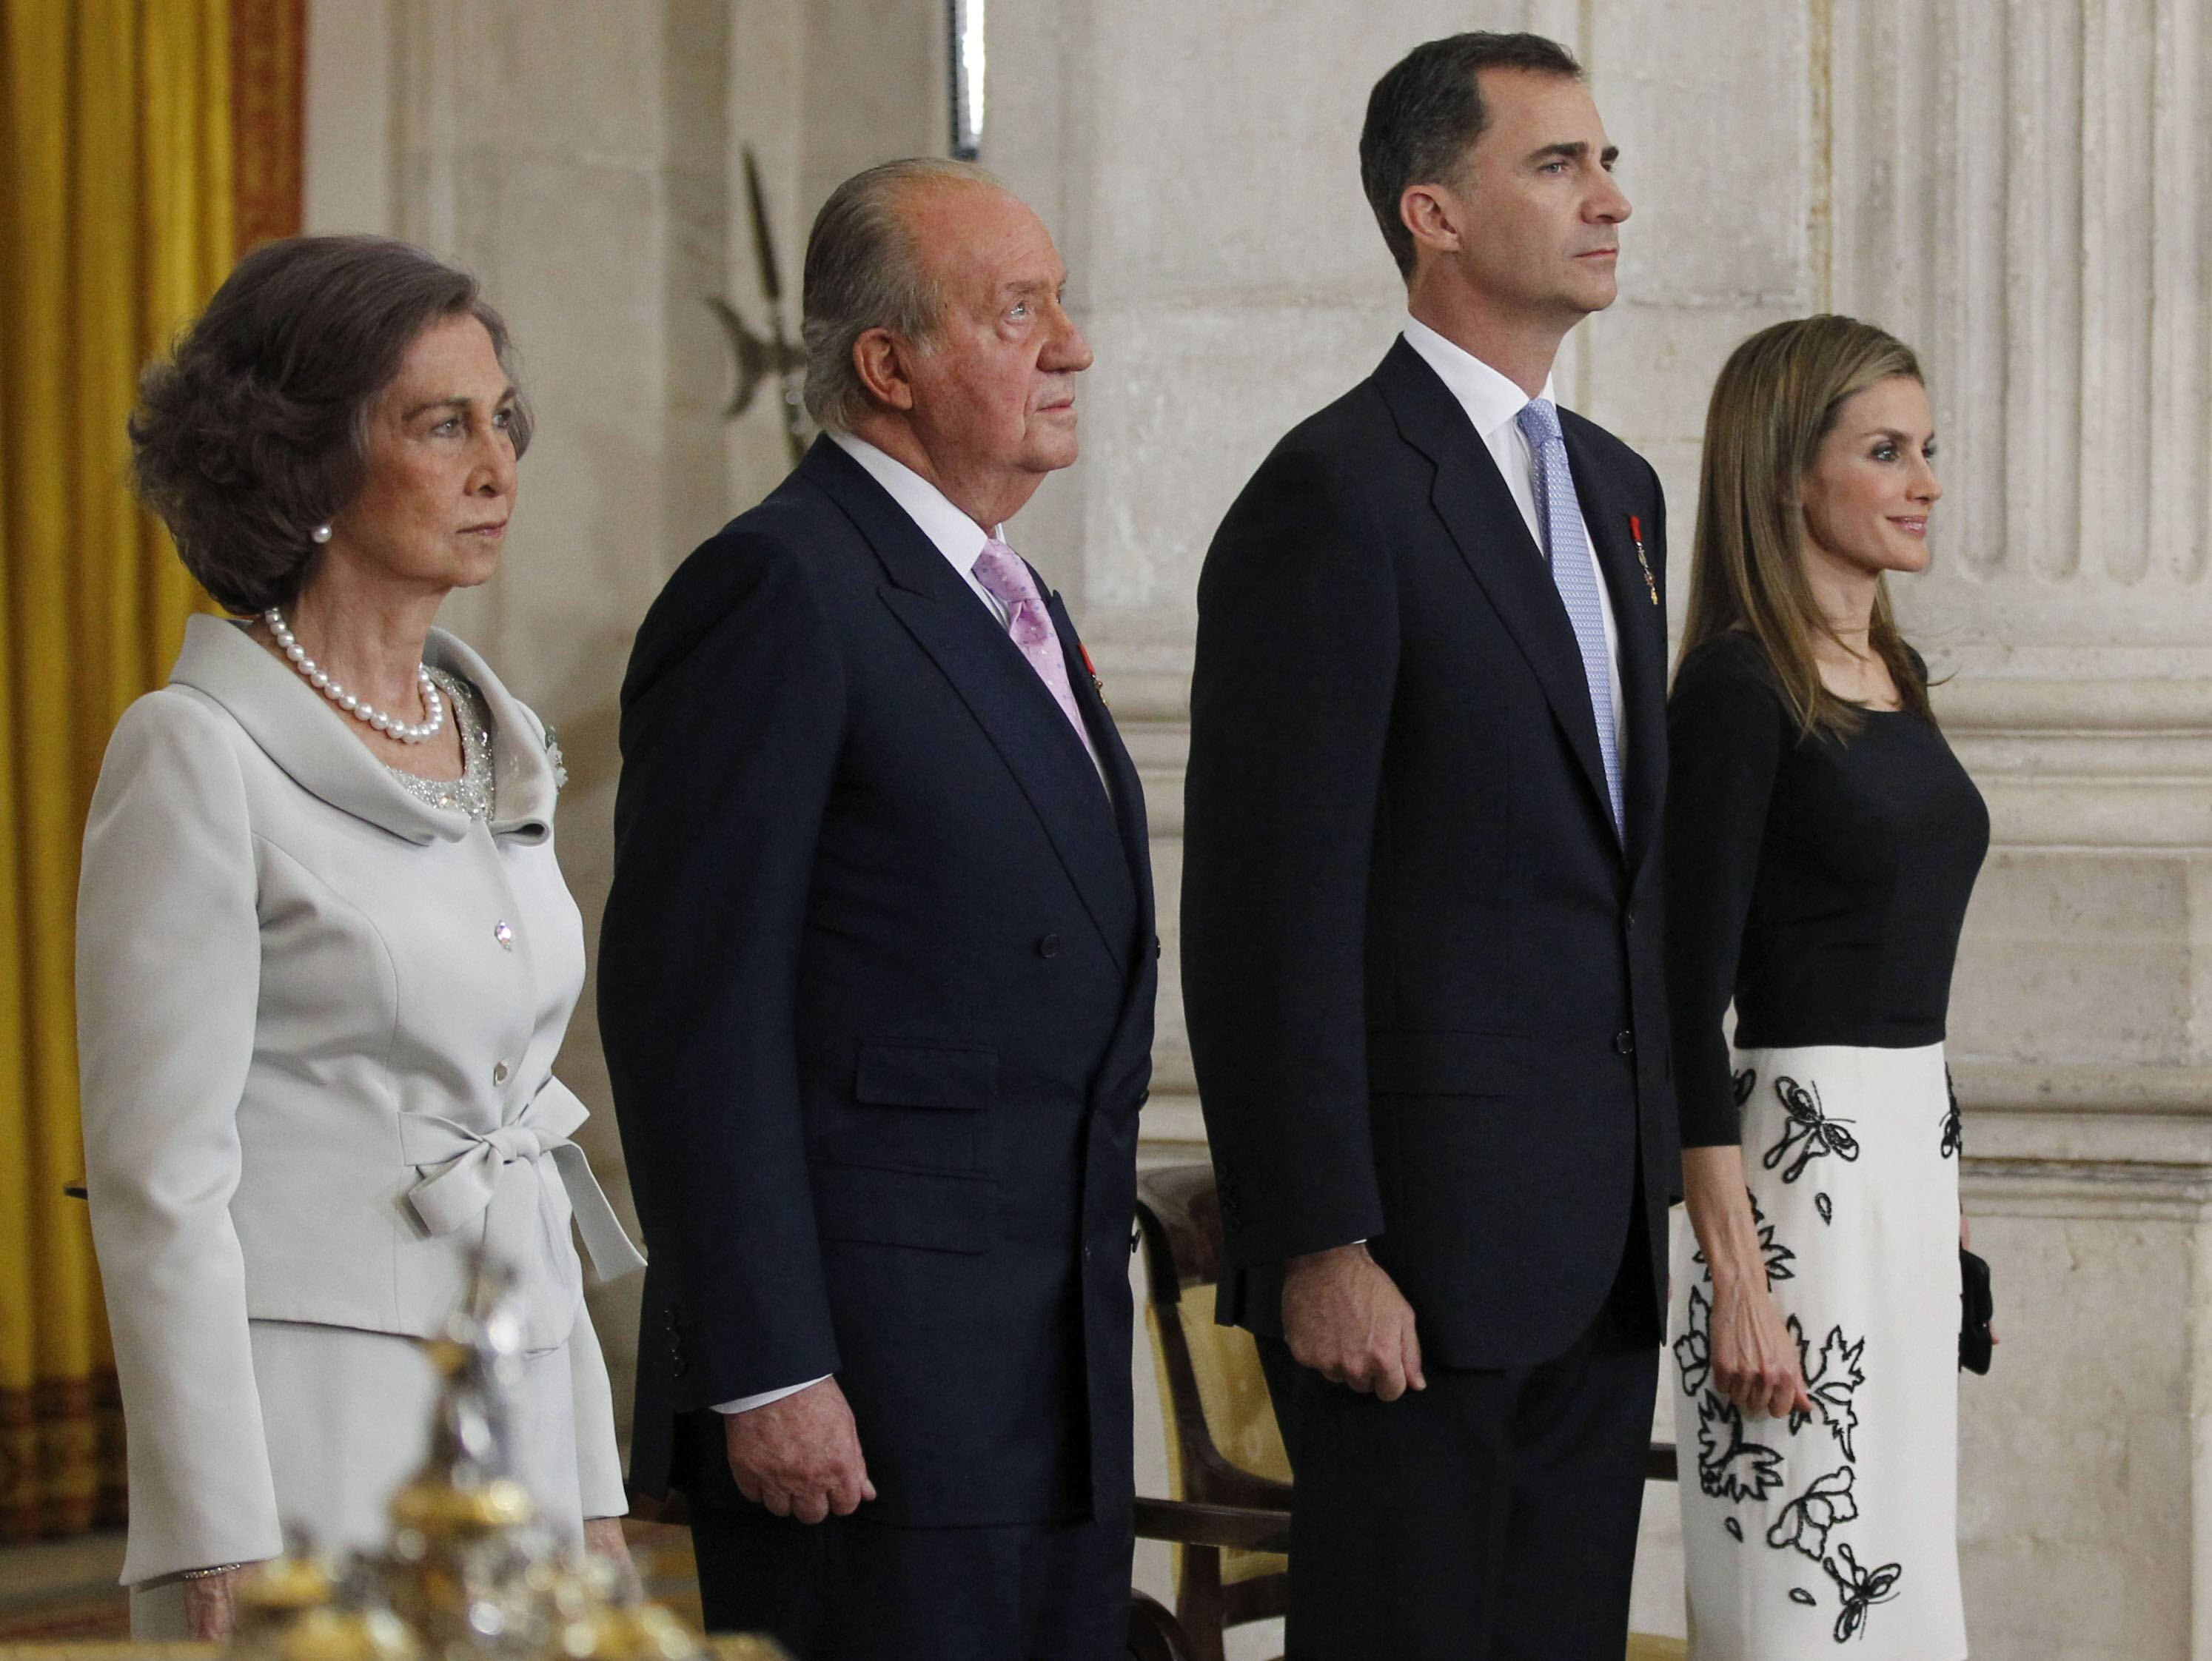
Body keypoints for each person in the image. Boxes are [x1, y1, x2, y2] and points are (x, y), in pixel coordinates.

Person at [600, 158, 1154, 1661]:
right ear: (889, 366)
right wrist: (768, 1366)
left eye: (1060, 303)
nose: (1072, 346)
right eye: (1018, 311)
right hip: (872, 1396)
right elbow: (690, 1010)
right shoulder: (777, 588)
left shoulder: (1000, 591)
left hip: (1047, 1377)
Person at [1181, 31, 1675, 1661]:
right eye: (1559, 164)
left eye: (1606, 162)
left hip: (1598, 1250)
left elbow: (1621, 873)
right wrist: (1322, 1239)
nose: (1610, 199)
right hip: (1417, 1261)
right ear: (1433, 212)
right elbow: (1265, 912)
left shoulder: (1618, 490)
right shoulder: (1334, 493)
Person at [79, 235, 645, 1640]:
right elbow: (160, 1184)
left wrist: (593, 1484)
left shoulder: (497, 742)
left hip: (509, 1412)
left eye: (502, 420)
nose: (497, 467)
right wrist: (212, 1534)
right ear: (307, 464)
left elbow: (518, 1143)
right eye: (442, 425)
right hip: (308, 1434)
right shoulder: (195, 755)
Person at [1665, 315, 1987, 1659]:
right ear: (1789, 474)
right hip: (1793, 1184)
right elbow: (1678, 1001)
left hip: (1908, 1168)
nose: (1926, 483)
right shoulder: (1739, 690)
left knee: (1902, 1590)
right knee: (1809, 1600)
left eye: (1927, 450)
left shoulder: (1893, 676)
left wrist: (1949, 1215)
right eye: (1886, 452)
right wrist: (1738, 1277)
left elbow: (1906, 970)